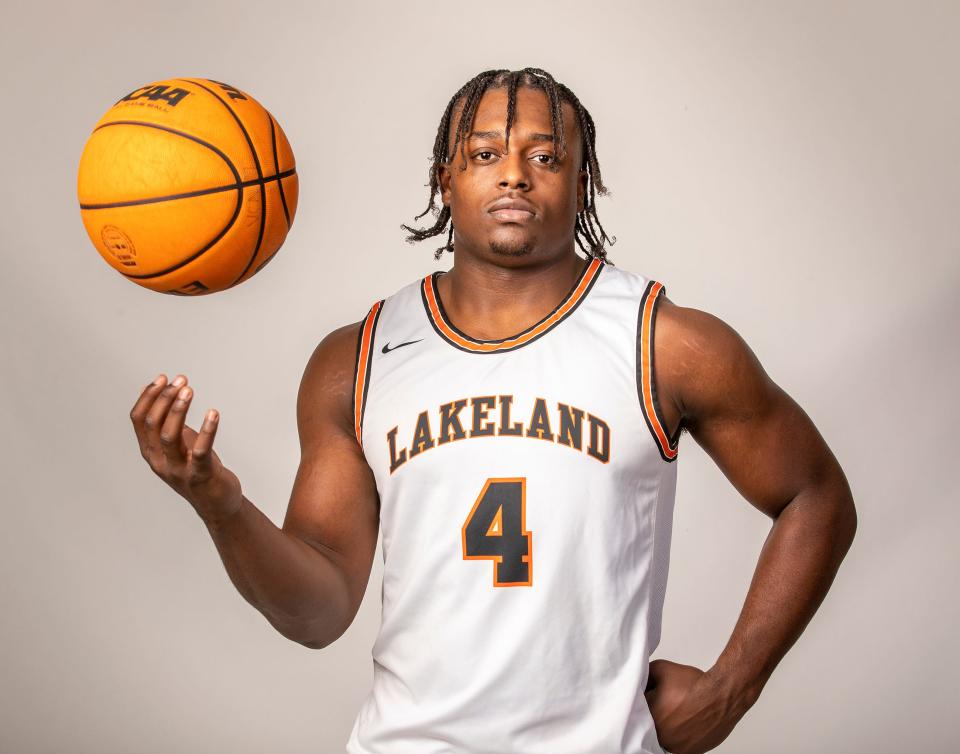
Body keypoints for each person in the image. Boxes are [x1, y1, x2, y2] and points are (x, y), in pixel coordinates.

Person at [129, 68, 858, 754]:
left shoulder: (665, 343)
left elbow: (816, 496)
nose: (513, 172)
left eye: (545, 155)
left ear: (584, 183)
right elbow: (317, 614)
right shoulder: (354, 359)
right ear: (444, 180)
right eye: (483, 153)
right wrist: (221, 507)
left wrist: (732, 689)